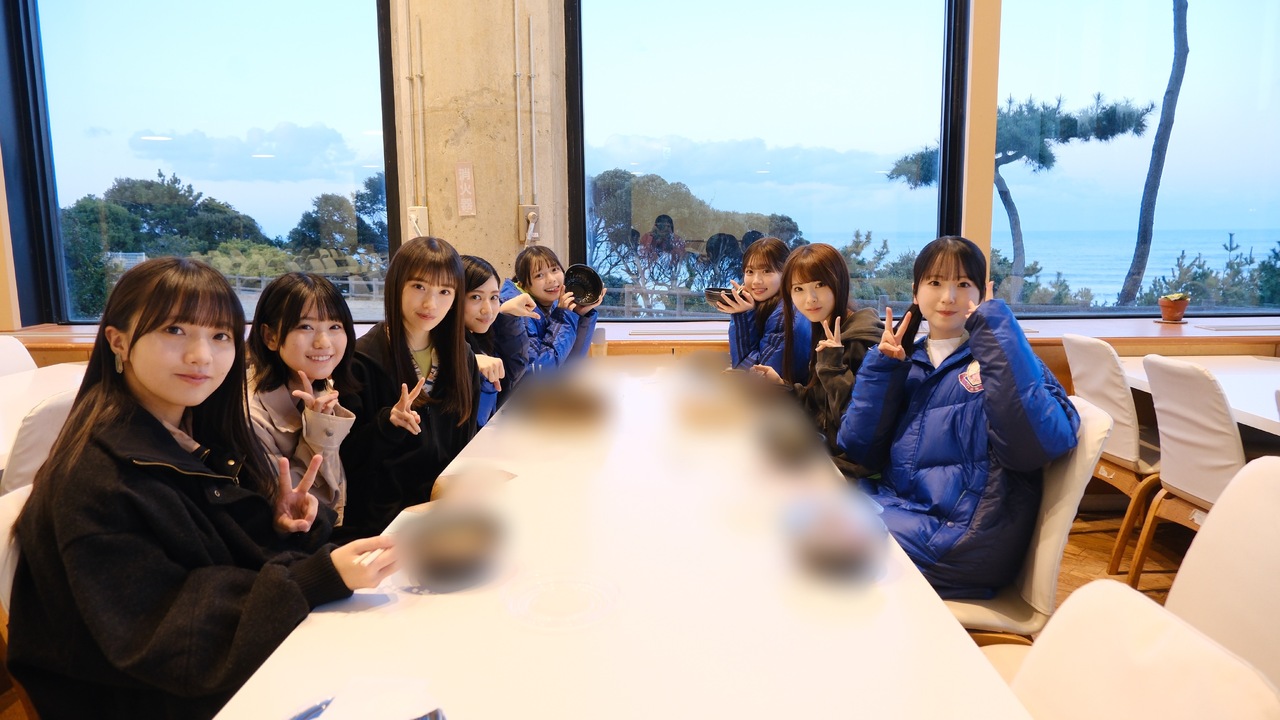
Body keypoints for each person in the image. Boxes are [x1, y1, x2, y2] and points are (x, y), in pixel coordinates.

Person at [7, 258, 397, 719]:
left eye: (220, 336)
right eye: (174, 330)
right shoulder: (97, 481)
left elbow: (222, 556)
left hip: (232, 673)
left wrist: (277, 524)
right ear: (118, 341)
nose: (201, 355)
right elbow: (169, 634)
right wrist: (317, 578)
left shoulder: (196, 436)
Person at [838, 236, 1079, 599]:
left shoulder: (1007, 359)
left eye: (963, 284)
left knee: (816, 549)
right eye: (935, 282)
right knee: (800, 519)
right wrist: (883, 371)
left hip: (963, 538)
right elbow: (860, 448)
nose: (949, 297)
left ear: (982, 294)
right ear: (915, 293)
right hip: (905, 512)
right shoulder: (910, 361)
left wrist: (995, 328)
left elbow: (1035, 447)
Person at [340, 236, 479, 537]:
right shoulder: (361, 359)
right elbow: (347, 458)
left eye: (444, 291)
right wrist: (387, 424)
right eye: (419, 287)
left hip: (444, 511)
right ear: (396, 285)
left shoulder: (461, 356)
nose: (431, 303)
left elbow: (464, 437)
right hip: (385, 524)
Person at [752, 243, 882, 476]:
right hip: (827, 451)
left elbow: (855, 426)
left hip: (850, 467)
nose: (810, 299)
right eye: (798, 289)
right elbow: (820, 404)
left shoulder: (860, 341)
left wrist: (832, 367)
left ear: (839, 282)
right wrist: (783, 388)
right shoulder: (825, 328)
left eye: (819, 285)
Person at [247, 272, 359, 527]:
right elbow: (298, 506)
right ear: (270, 337)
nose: (323, 342)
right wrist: (319, 430)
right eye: (305, 327)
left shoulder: (322, 385)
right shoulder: (250, 416)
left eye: (335, 326)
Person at [712, 236, 811, 384]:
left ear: (786, 273)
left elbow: (754, 375)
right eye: (750, 271)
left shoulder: (785, 316)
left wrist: (743, 316)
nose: (756, 281)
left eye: (767, 271)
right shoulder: (775, 305)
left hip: (785, 396)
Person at [499, 245, 604, 372]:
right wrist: (563, 319)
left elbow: (571, 364)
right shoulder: (517, 313)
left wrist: (579, 315)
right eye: (539, 275)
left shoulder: (553, 303)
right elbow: (539, 370)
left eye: (554, 269)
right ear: (523, 284)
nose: (552, 279)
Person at [461, 255, 538, 426]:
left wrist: (507, 317)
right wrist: (468, 360)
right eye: (475, 297)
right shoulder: (445, 350)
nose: (487, 309)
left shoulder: (482, 337)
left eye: (494, 297)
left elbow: (510, 378)